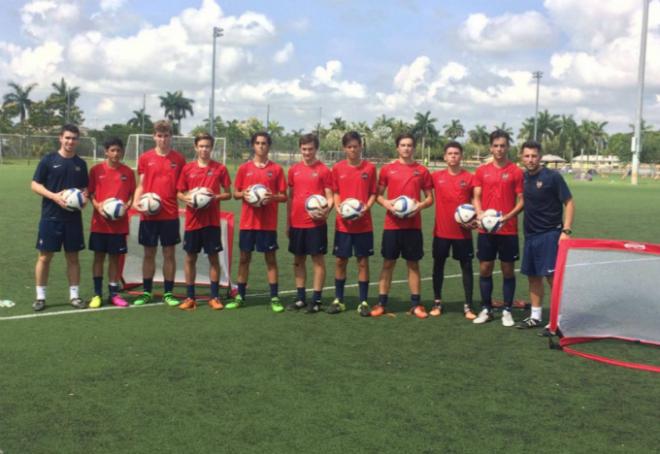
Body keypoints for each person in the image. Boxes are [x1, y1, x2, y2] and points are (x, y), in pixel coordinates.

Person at [371, 133, 434, 319]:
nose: (406, 148)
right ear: (397, 148)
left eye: (409, 145)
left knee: (413, 264)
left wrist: (419, 206)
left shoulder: (421, 171)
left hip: (413, 226)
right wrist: (387, 204)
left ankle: (416, 304)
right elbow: (377, 195)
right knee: (388, 263)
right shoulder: (387, 169)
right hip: (392, 225)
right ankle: (382, 303)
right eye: (403, 145)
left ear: (413, 148)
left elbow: (430, 198)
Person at [517, 141, 574, 329]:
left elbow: (569, 202)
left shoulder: (552, 177)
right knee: (533, 277)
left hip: (550, 235)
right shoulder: (523, 178)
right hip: (530, 236)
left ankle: (559, 319)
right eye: (527, 156)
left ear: (540, 157)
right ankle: (535, 316)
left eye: (534, 156)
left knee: (552, 278)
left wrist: (566, 230)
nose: (530, 159)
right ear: (521, 157)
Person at [31, 124, 89, 311]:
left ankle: (74, 296)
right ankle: (40, 297)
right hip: (50, 218)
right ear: (60, 138)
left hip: (73, 220)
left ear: (78, 140)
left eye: (74, 138)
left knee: (73, 258)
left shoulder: (81, 164)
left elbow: (84, 189)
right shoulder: (49, 160)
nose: (70, 141)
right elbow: (35, 184)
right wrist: (55, 196)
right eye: (67, 138)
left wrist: (83, 198)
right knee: (44, 258)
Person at [228, 132, 287, 312]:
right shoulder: (244, 168)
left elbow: (284, 196)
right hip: (248, 223)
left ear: (269, 146)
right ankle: (240, 296)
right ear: (253, 145)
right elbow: (235, 193)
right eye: (258, 143)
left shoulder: (276, 170)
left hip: (267, 224)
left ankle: (275, 297)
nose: (261, 146)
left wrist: (273, 197)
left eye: (264, 143)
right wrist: (244, 194)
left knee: (271, 260)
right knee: (244, 259)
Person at [472, 130, 524, 326]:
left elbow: (521, 201)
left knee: (508, 270)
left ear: (508, 147)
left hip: (508, 229)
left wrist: (505, 218)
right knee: (485, 268)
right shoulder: (481, 171)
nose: (499, 149)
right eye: (496, 146)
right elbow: (476, 196)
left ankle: (507, 310)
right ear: (490, 148)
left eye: (503, 145)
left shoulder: (516, 172)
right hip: (486, 230)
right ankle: (486, 308)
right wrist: (480, 213)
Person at [132, 120, 186, 307]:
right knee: (149, 253)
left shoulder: (179, 159)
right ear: (154, 136)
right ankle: (146, 292)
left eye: (166, 136)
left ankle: (168, 293)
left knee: (169, 254)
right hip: (149, 215)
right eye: (160, 136)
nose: (163, 139)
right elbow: (141, 184)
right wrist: (136, 202)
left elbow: (182, 188)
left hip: (170, 214)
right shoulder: (145, 158)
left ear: (171, 137)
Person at [176, 133, 232, 311]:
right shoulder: (187, 169)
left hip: (211, 222)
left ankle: (214, 297)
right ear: (195, 147)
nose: (204, 149)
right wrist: (187, 198)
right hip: (193, 222)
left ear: (211, 148)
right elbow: (179, 192)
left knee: (213, 258)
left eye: (207, 146)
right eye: (201, 146)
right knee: (190, 258)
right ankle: (190, 297)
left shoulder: (220, 168)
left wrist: (214, 197)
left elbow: (228, 193)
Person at [328, 131, 377, 316]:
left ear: (360, 147)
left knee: (362, 262)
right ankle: (338, 300)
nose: (353, 150)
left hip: (364, 224)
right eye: (349, 147)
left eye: (356, 146)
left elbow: (373, 193)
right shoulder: (338, 168)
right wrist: (339, 207)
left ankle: (363, 301)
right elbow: (336, 191)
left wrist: (366, 207)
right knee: (341, 261)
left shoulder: (370, 168)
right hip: (343, 224)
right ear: (344, 149)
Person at [286, 134, 333, 313]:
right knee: (298, 260)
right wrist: (288, 223)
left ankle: (317, 299)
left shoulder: (323, 170)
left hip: (315, 225)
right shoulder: (293, 170)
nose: (307, 152)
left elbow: (330, 198)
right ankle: (300, 299)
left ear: (316, 149)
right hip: (297, 224)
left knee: (317, 260)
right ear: (300, 149)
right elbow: (290, 198)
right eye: (304, 149)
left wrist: (325, 212)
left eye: (310, 149)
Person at [430, 141, 477, 320]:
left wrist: (475, 219)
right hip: (441, 232)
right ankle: (437, 303)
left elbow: (475, 202)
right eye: (450, 153)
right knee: (438, 267)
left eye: (456, 153)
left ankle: (468, 306)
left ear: (461, 156)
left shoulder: (470, 178)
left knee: (466, 268)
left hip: (463, 234)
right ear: (445, 157)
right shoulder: (436, 176)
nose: (453, 156)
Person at [87, 138, 136, 308]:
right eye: (112, 150)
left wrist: (127, 206)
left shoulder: (128, 172)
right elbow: (90, 193)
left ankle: (114, 294)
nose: (116, 154)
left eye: (118, 150)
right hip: (99, 223)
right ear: (106, 152)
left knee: (115, 259)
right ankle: (97, 294)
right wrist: (98, 206)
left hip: (119, 225)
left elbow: (131, 194)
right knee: (98, 257)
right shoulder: (96, 170)